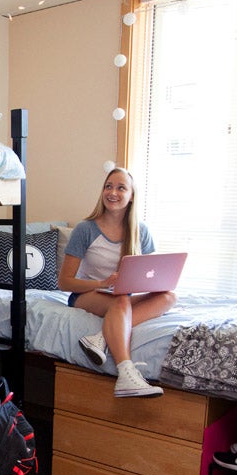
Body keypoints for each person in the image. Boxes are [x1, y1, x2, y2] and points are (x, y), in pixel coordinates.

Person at [58, 166, 177, 398]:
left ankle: (103, 336)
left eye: (121, 188)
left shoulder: (140, 231)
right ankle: (126, 373)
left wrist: (154, 284)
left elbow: (150, 274)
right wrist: (102, 283)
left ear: (131, 195)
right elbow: (64, 282)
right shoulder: (86, 229)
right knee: (121, 300)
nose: (113, 192)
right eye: (108, 187)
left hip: (121, 296)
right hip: (87, 294)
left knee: (169, 297)